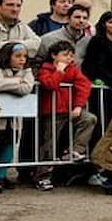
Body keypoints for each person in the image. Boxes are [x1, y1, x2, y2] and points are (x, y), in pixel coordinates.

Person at [35, 40, 97, 189]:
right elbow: (50, 84)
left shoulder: (74, 69)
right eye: (65, 55)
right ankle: (42, 176)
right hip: (51, 111)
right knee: (49, 143)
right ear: (53, 55)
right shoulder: (45, 69)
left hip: (70, 110)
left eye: (71, 56)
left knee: (89, 118)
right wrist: (59, 71)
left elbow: (84, 85)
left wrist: (78, 106)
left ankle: (75, 151)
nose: (69, 59)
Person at [0, 43, 36, 193]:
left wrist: (12, 84)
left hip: (13, 120)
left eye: (24, 56)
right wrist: (17, 82)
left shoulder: (27, 71)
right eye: (18, 56)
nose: (22, 60)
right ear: (8, 56)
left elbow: (27, 88)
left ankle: (0, 177)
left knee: (9, 146)